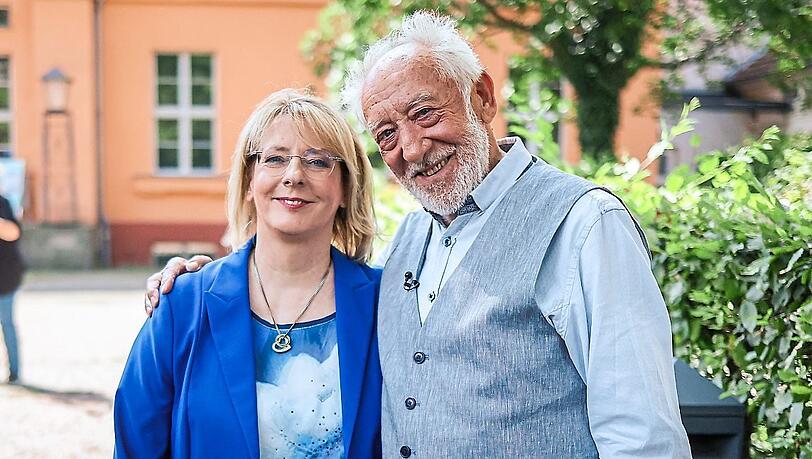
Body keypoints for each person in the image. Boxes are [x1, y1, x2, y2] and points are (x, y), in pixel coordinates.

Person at [148, 12, 691, 458]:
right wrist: (201, 279)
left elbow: (643, 437)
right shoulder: (407, 242)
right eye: (386, 134)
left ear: (481, 96)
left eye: (424, 114)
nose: (410, 149)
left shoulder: (585, 225)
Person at [115, 89, 383, 458]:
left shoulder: (386, 304)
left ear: (345, 189)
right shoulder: (182, 306)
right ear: (247, 182)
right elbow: (134, 447)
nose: (294, 175)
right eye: (274, 158)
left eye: (318, 162)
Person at [0, 192, 24, 384]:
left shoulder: (4, 202)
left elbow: (14, 233)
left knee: (7, 324)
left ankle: (14, 372)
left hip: (5, 278)